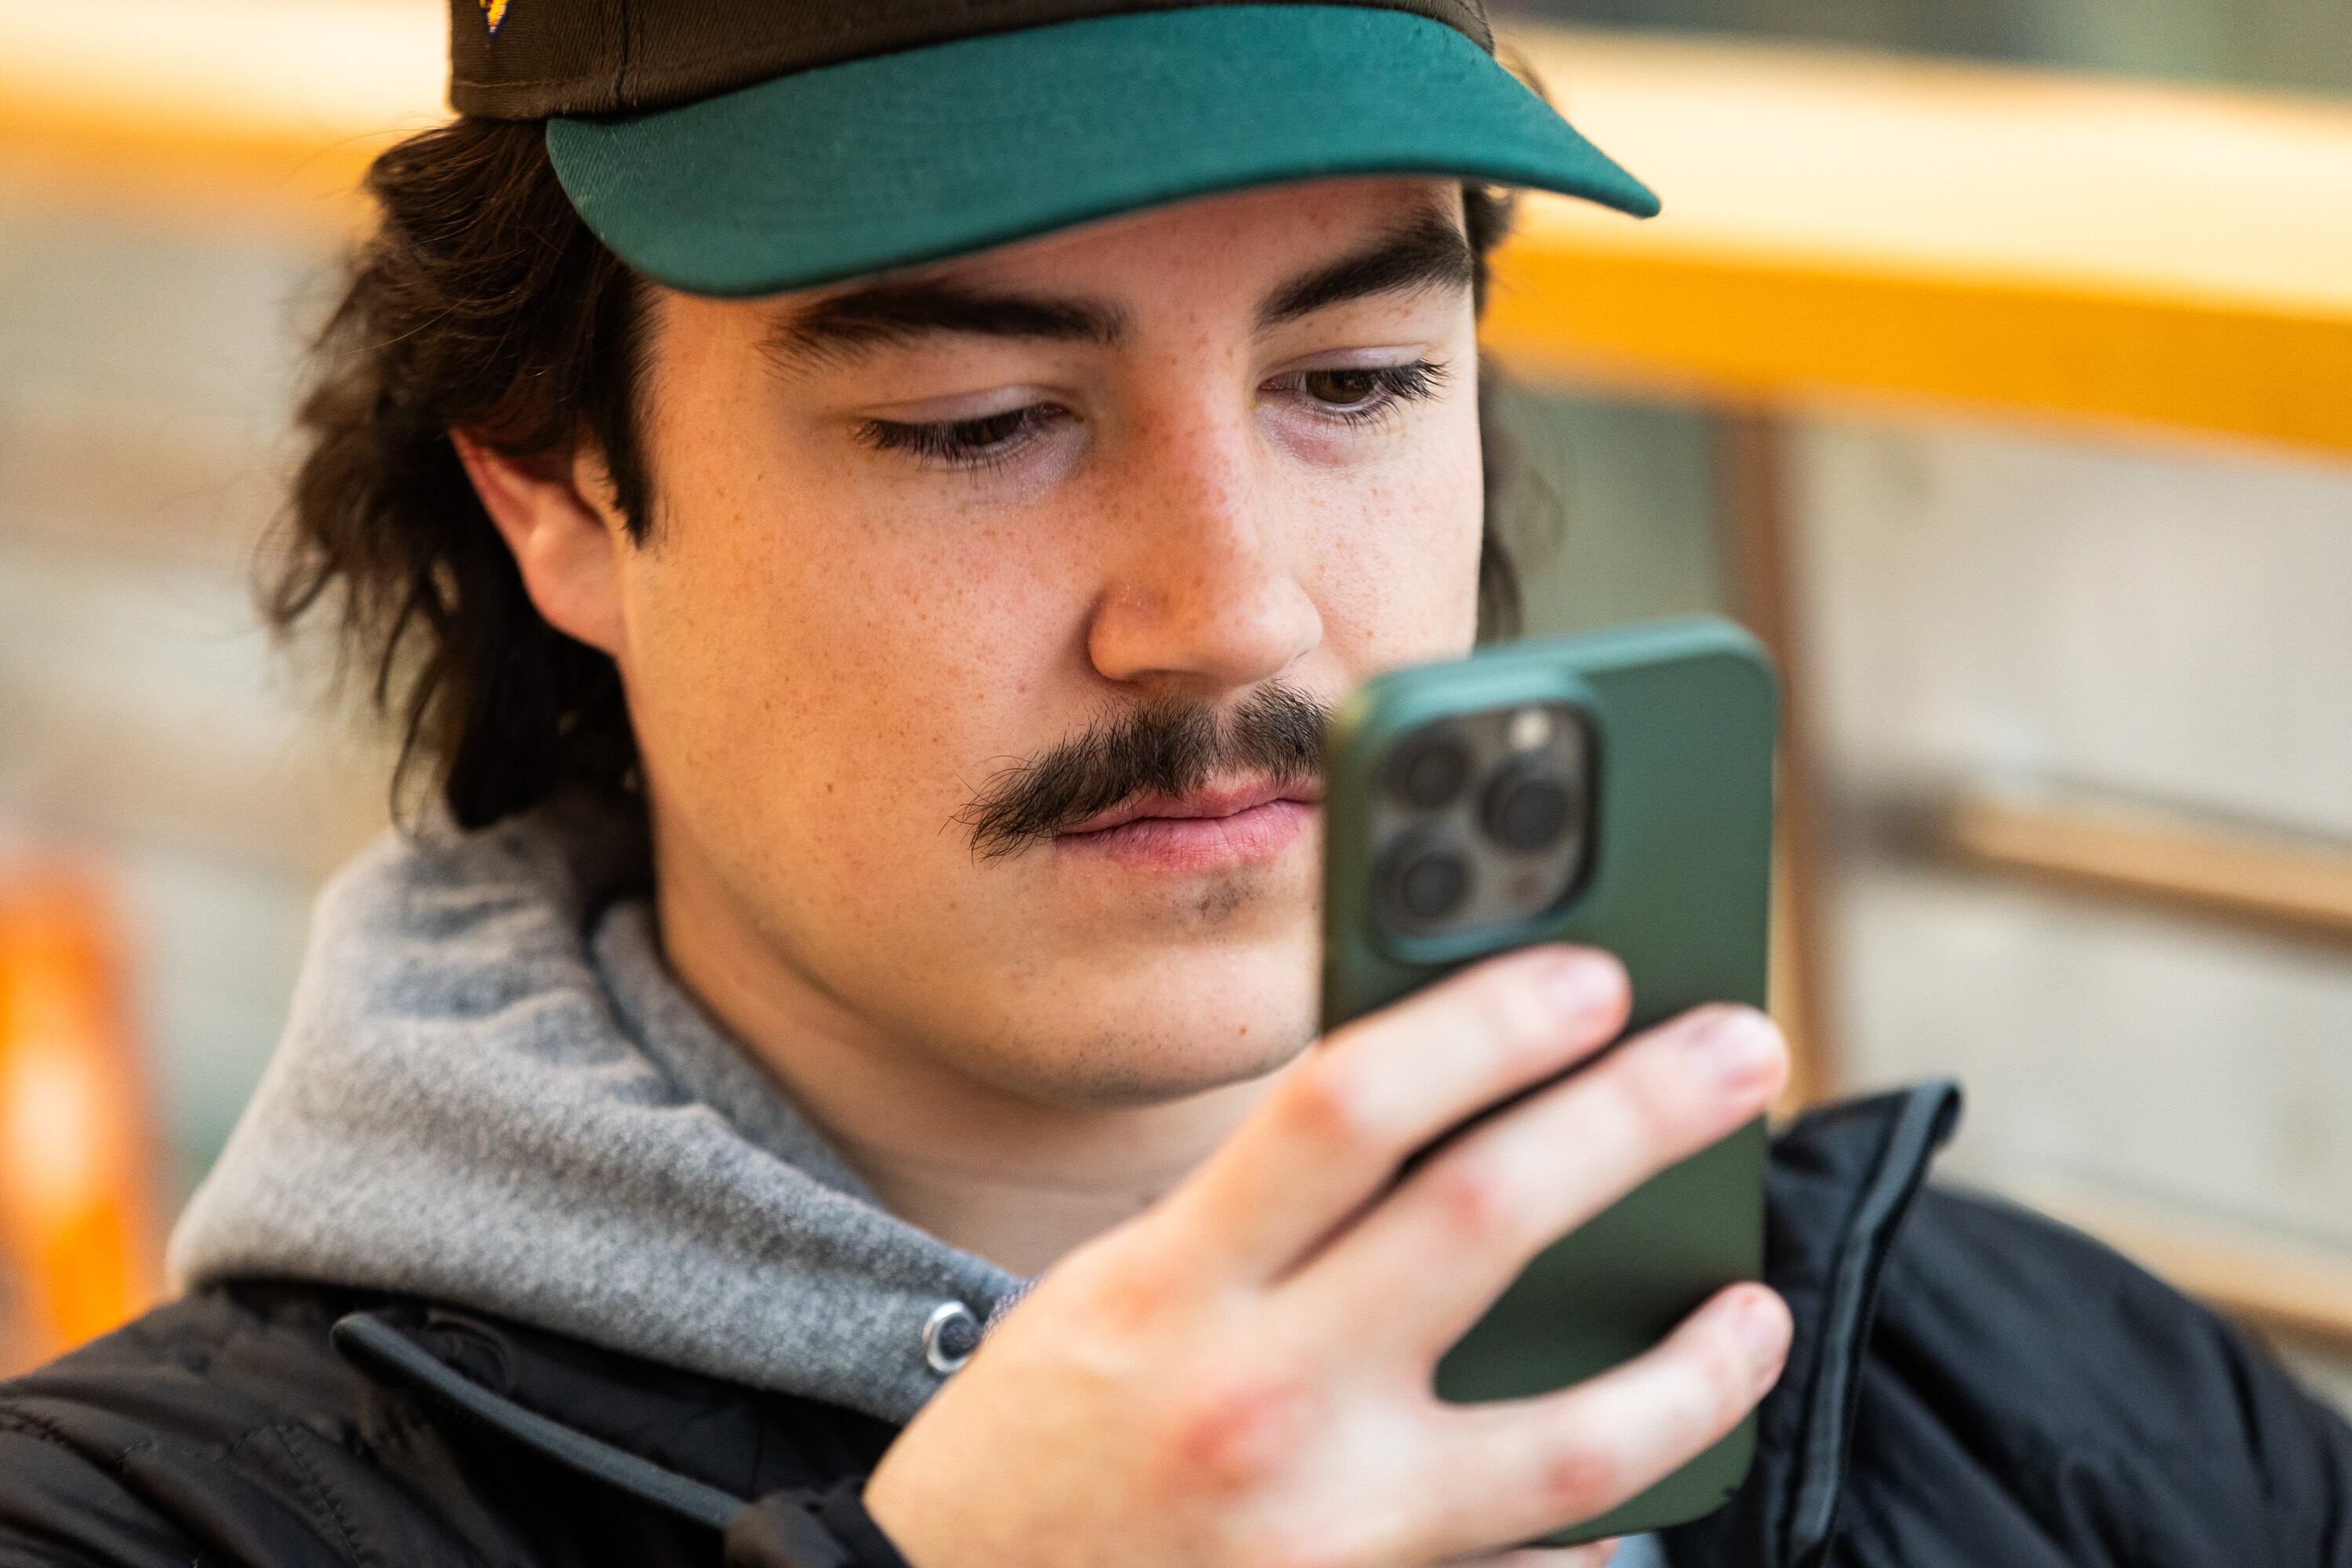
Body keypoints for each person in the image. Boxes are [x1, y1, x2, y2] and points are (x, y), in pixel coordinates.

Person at [3, 2, 2347, 1564]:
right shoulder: (157, 1516)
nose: (1228, 611)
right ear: (556, 498)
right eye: (977, 423)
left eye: (1350, 379)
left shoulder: (2040, 1398)